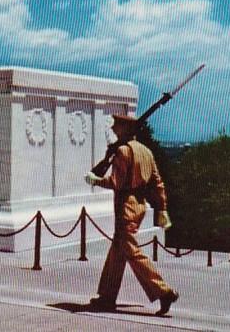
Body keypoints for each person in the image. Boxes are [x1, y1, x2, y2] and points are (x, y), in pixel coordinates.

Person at [84, 114, 178, 316]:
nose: (114, 127)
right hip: (140, 205)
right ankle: (107, 297)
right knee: (117, 252)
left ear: (126, 129)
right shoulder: (146, 151)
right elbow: (158, 183)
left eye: (118, 125)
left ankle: (163, 291)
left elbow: (115, 182)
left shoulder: (123, 151)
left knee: (131, 251)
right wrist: (162, 208)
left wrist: (95, 180)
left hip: (125, 206)